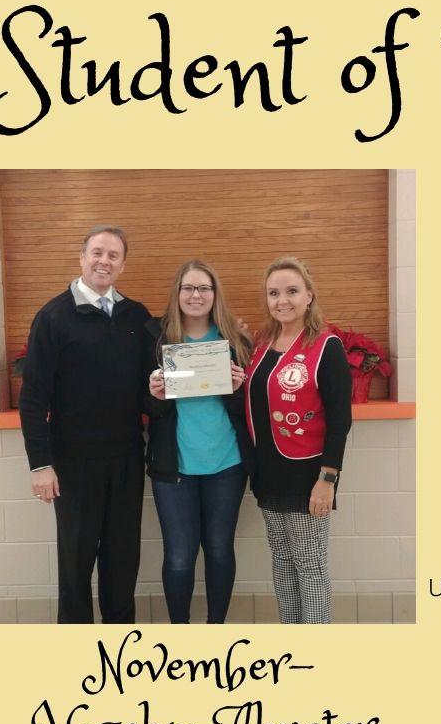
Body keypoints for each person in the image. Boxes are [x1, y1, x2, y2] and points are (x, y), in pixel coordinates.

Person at [19, 225, 150, 623]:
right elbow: (33, 397)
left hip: (127, 461)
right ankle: (74, 659)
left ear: (123, 264)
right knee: (76, 568)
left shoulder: (136, 316)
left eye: (113, 255)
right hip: (74, 465)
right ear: (81, 257)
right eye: (97, 252)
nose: (104, 261)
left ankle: (120, 653)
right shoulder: (53, 317)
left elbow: (150, 387)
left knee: (122, 563)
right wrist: (40, 464)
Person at [244, 257, 352, 623]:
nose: (282, 300)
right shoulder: (262, 343)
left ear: (309, 295)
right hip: (267, 469)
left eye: (291, 291)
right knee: (282, 557)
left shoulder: (326, 346)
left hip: (308, 472)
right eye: (274, 293)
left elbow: (341, 419)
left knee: (309, 560)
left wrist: (328, 479)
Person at [145, 260, 254, 623]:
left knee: (220, 550)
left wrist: (236, 391)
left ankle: (215, 629)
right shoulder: (156, 338)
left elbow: (245, 409)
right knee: (179, 555)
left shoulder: (235, 340)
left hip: (226, 463)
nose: (196, 295)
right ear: (177, 293)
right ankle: (181, 633)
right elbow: (143, 405)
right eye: (188, 288)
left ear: (214, 294)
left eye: (204, 288)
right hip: (174, 467)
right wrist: (155, 397)